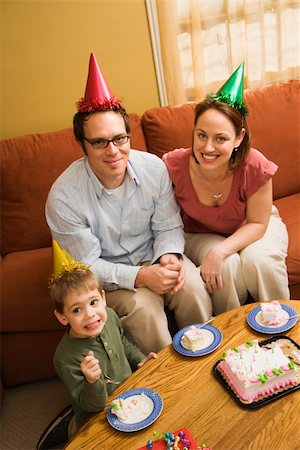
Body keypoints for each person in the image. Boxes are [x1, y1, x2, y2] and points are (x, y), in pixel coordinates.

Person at [46, 52, 214, 354]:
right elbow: (86, 267)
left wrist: (169, 259)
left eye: (120, 139)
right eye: (99, 142)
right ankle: (167, 383)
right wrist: (140, 276)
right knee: (145, 310)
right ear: (82, 144)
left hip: (155, 257)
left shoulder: (153, 168)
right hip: (114, 279)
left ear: (128, 136)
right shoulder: (63, 198)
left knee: (193, 288)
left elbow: (168, 225)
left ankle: (207, 361)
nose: (113, 151)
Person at [163, 63, 290, 314]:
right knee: (227, 266)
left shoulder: (255, 165)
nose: (208, 147)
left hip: (253, 225)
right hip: (199, 233)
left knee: (260, 262)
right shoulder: (173, 165)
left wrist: (221, 249)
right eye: (201, 135)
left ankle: (285, 332)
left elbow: (257, 223)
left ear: (238, 138)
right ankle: (230, 339)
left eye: (220, 138)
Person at [37, 240, 157, 449]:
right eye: (76, 310)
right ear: (62, 317)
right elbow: (93, 405)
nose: (90, 315)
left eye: (93, 303)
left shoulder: (109, 316)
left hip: (130, 396)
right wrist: (92, 382)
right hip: (97, 414)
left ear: (103, 298)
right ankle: (71, 425)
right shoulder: (65, 358)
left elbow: (124, 344)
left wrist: (140, 361)